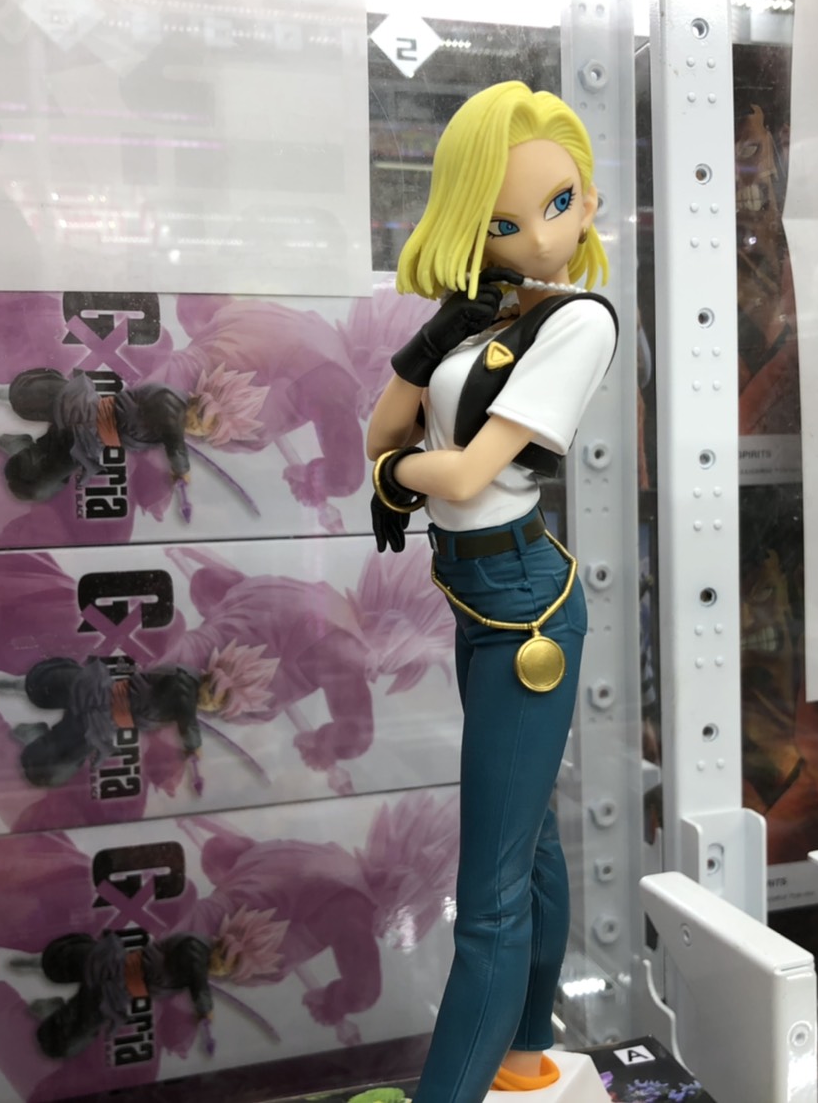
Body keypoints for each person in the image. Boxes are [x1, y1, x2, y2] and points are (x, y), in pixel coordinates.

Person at [364, 81, 618, 1101]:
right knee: (530, 836)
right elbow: (380, 430)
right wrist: (430, 343)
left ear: (589, 200)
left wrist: (395, 477)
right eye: (505, 223)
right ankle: (524, 1051)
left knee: (489, 889)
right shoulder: (485, 320)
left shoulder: (578, 322)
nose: (540, 237)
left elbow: (462, 475)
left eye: (558, 205)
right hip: (475, 595)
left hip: (523, 605)